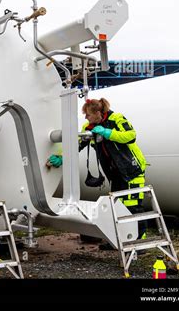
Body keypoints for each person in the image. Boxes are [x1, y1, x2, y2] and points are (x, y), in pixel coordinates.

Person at [47, 97, 148, 240]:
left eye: (88, 114)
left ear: (98, 112)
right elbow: (77, 145)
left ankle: (139, 239)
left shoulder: (116, 118)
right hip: (115, 173)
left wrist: (107, 133)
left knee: (132, 205)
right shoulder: (88, 128)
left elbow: (131, 136)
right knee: (117, 206)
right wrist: (62, 157)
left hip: (132, 169)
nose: (86, 117)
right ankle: (122, 239)